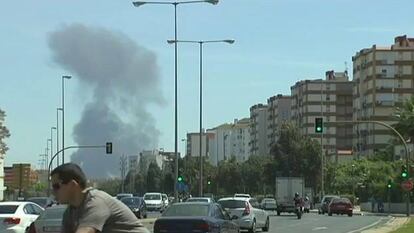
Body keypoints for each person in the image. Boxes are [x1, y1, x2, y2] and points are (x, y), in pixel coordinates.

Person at [50, 163, 150, 233]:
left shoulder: (96, 202)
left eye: (56, 186)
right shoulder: (69, 213)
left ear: (72, 184)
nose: (53, 191)